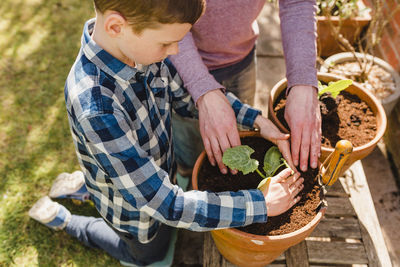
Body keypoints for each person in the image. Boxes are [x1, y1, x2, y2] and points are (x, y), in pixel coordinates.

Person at [28, 0, 304, 266]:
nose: (175, 51)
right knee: (147, 254)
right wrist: (260, 204)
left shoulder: (138, 49)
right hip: (134, 214)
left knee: (117, 189)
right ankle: (69, 221)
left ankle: (83, 188)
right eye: (167, 42)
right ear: (115, 26)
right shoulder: (97, 110)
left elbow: (186, 98)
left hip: (145, 178)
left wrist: (255, 119)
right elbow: (165, 204)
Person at [169, 0, 321, 187]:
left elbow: (297, 3)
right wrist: (201, 86)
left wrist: (303, 82)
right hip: (177, 66)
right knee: (187, 149)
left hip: (242, 59)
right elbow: (164, 11)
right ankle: (185, 178)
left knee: (238, 144)